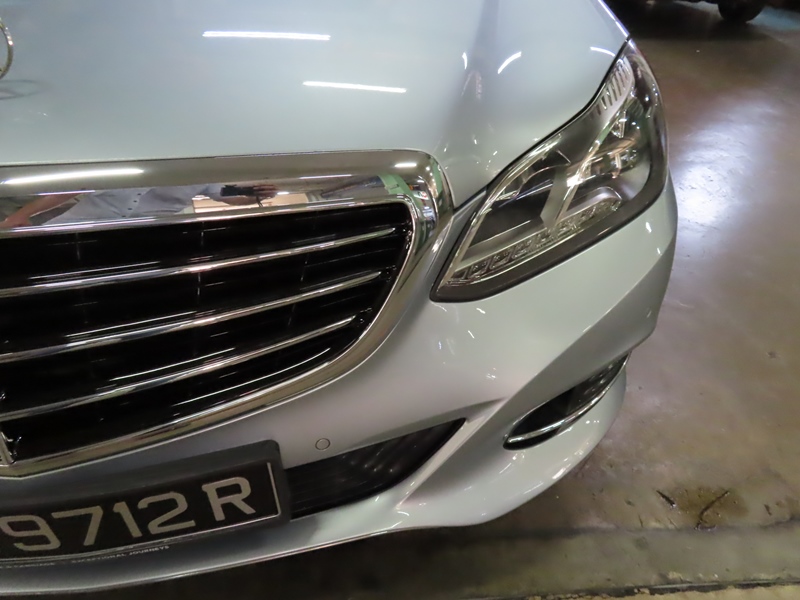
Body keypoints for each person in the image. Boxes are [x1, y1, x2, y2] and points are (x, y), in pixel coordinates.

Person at [0, 183, 278, 228]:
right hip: (79, 224)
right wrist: (19, 216)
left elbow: (228, 196)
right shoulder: (120, 156)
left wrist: (259, 195)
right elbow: (71, 190)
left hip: (140, 237)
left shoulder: (204, 173)